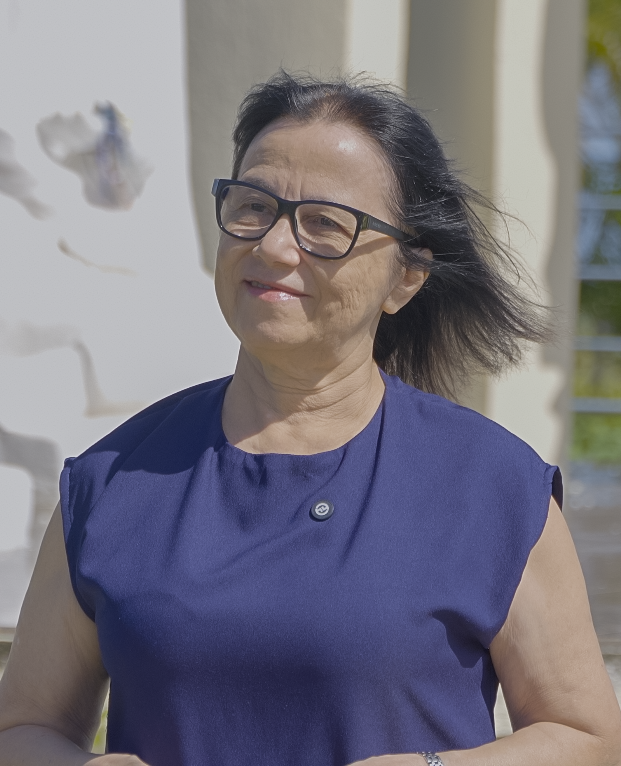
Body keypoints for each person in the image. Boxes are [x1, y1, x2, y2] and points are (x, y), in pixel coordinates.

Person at [0, 71, 619, 766]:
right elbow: (20, 730)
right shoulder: (112, 481)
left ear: (406, 276)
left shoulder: (491, 487)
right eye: (252, 206)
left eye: (325, 223)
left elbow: (588, 738)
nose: (273, 246)